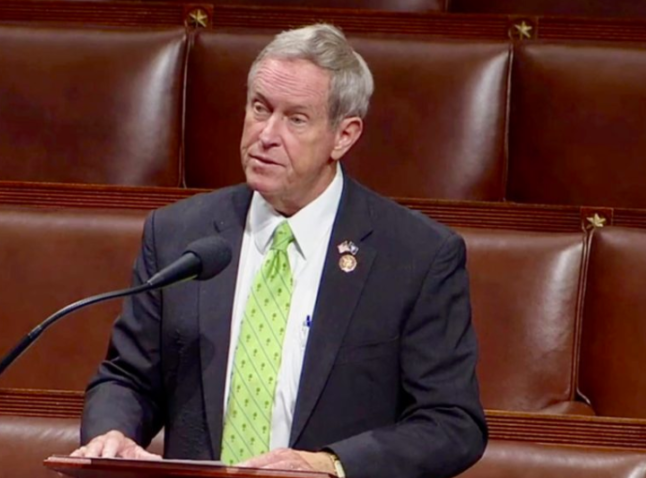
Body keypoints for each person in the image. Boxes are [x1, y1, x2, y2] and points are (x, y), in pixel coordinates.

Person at [72, 23, 487, 478]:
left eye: (296, 119)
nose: (266, 134)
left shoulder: (416, 256)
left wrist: (330, 464)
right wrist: (112, 433)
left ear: (344, 136)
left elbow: (452, 423)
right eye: (260, 108)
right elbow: (128, 377)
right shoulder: (178, 233)